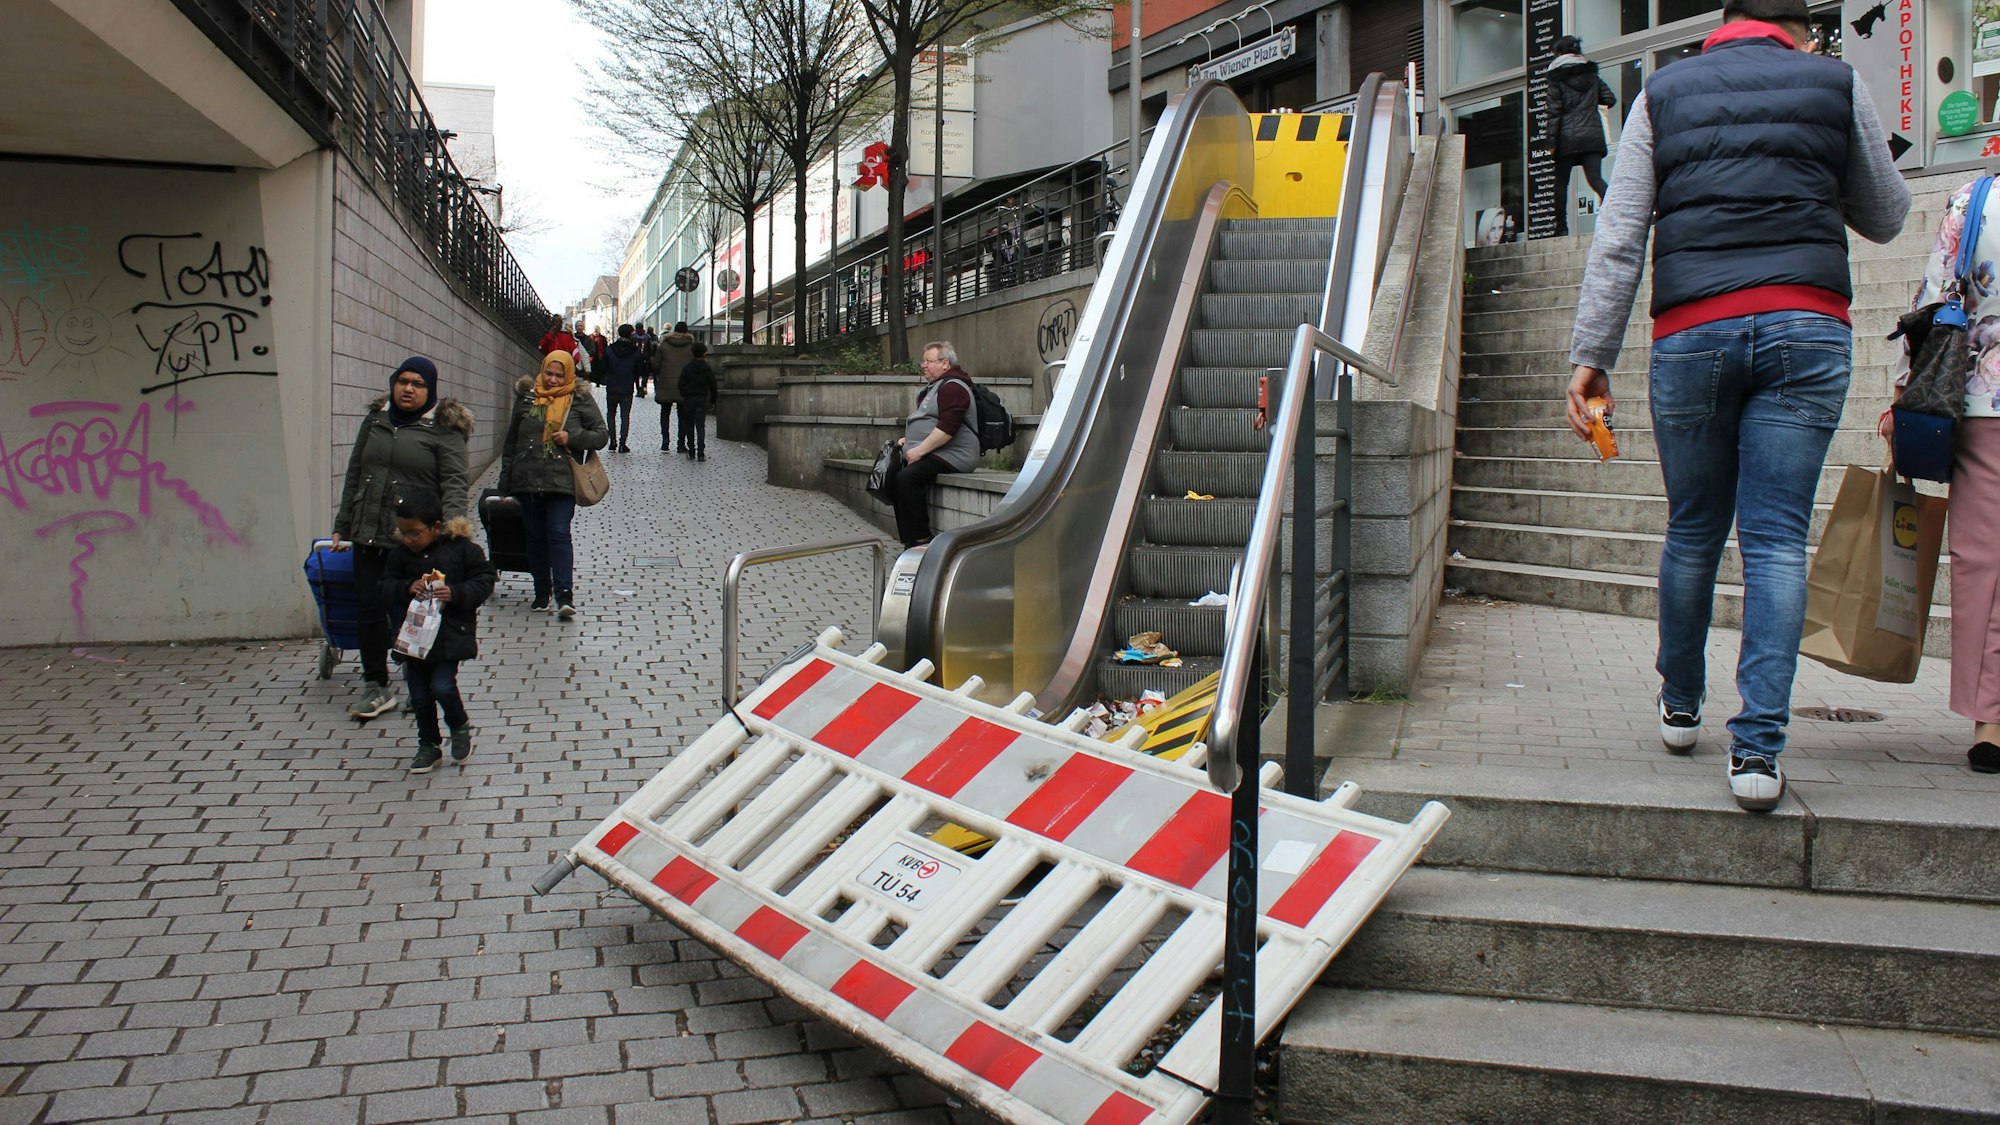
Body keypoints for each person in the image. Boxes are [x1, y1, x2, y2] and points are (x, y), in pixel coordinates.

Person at [1564, 0, 1910, 811]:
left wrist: (1592, 357)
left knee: (1693, 526)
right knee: (1778, 541)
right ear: (1796, 28)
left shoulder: (1663, 93)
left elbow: (1619, 235)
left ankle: (1681, 704)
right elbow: (1890, 214)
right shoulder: (1834, 83)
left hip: (1692, 333)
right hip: (1805, 324)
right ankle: (1757, 753)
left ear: (1724, 19)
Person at [1885, 180, 2000, 773]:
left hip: (1982, 401)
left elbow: (1935, 298)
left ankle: (1992, 722)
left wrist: (1905, 386)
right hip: (1982, 404)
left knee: (1984, 562)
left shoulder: (1973, 200)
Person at [331, 357, 472, 721]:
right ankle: (376, 684)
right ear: (393, 384)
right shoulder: (375, 420)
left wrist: (453, 531)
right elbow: (355, 472)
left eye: (418, 384)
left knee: (412, 611)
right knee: (369, 609)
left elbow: (455, 482)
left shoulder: (444, 428)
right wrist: (343, 522)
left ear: (431, 390)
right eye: (403, 382)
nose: (409, 389)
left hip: (414, 539)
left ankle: (417, 680)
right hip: (368, 531)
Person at [379, 491, 495, 774]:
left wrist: (455, 592)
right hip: (414, 640)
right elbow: (383, 586)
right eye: (404, 533)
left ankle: (458, 725)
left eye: (415, 533)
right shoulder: (401, 556)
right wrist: (407, 586)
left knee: (442, 686)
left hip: (450, 635)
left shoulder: (462, 550)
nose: (409, 539)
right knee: (419, 696)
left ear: (436, 527)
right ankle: (428, 745)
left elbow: (485, 579)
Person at [498, 351, 610, 618]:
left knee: (558, 533)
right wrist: (504, 485)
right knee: (535, 537)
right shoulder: (527, 398)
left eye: (559, 375)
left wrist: (573, 436)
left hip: (561, 481)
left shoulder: (579, 399)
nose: (553, 379)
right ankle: (541, 591)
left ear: (569, 374)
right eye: (549, 373)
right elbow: (511, 442)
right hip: (527, 479)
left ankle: (564, 595)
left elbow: (601, 435)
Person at [892, 341, 980, 549]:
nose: (923, 365)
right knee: (895, 475)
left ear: (945, 364)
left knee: (907, 478)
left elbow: (948, 428)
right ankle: (909, 539)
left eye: (928, 361)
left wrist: (919, 450)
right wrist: (909, 441)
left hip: (957, 454)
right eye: (923, 361)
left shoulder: (953, 387)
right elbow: (928, 423)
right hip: (939, 451)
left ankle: (921, 539)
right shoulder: (932, 389)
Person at [1541, 35, 1616, 236]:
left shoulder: (1556, 77)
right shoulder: (1592, 75)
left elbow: (1554, 111)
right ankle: (1619, 216)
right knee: (1595, 179)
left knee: (1561, 183)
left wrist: (1551, 142)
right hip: (1592, 134)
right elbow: (1610, 99)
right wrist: (1590, 106)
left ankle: (1561, 228)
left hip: (1566, 137)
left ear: (1558, 53)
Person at [597, 324, 648, 453]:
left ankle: (612, 441)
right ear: (630, 334)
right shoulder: (634, 351)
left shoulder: (610, 349)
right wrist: (637, 384)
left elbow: (603, 367)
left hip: (612, 387)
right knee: (625, 416)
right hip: (627, 388)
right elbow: (639, 371)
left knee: (611, 414)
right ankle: (622, 443)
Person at [655, 321, 698, 453]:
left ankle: (665, 441)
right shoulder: (692, 347)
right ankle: (681, 444)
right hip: (684, 386)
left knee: (665, 412)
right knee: (683, 415)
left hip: (666, 384)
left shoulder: (663, 345)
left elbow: (656, 365)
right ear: (686, 332)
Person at [677, 341, 719, 461]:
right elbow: (713, 385)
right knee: (700, 426)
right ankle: (701, 453)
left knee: (689, 425)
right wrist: (713, 400)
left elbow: (680, 384)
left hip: (689, 399)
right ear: (704, 354)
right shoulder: (707, 368)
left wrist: (684, 394)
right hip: (701, 398)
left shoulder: (687, 368)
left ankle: (691, 451)